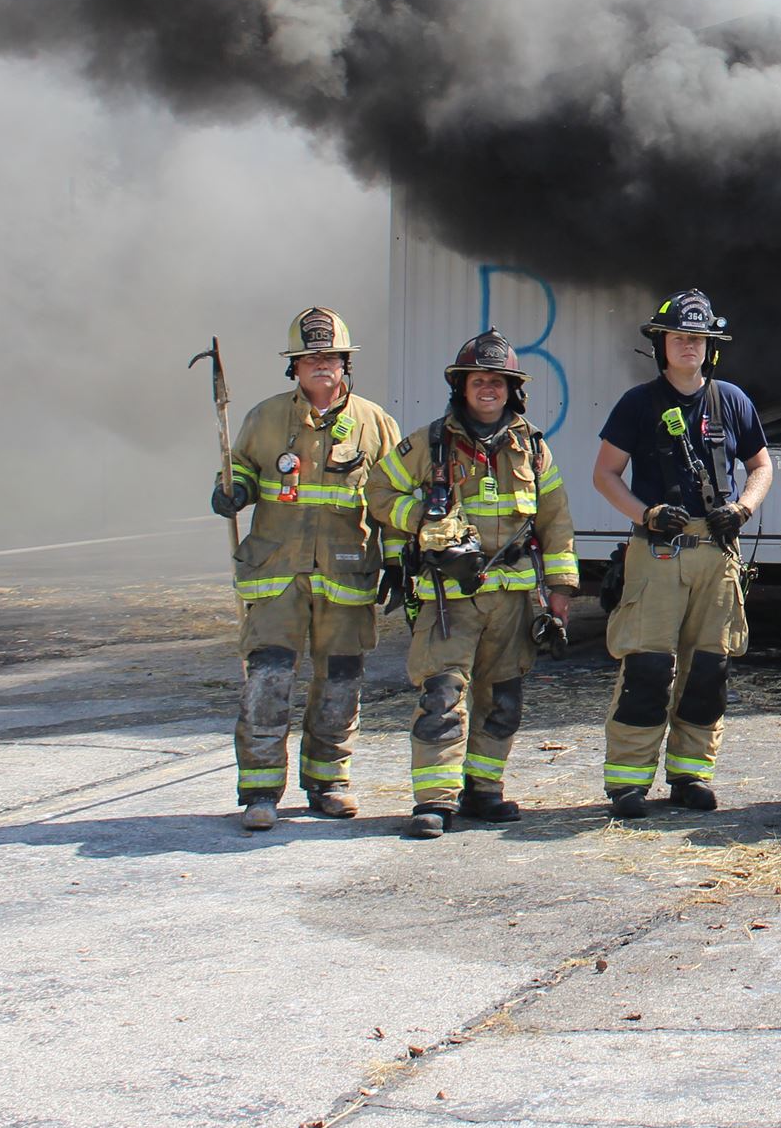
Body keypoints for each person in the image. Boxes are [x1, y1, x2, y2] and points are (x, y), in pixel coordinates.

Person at [368, 332, 578, 839]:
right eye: (478, 380)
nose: (488, 389)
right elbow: (379, 489)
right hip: (449, 600)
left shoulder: (533, 448)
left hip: (513, 602)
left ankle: (484, 790)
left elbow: (556, 522)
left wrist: (561, 591)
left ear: (512, 390)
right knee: (442, 696)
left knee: (503, 699)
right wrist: (423, 516)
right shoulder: (429, 442)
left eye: (498, 382)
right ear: (461, 386)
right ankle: (435, 801)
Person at [210, 307, 402, 831]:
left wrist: (396, 562)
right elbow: (242, 467)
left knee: (340, 682)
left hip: (346, 576)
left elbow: (391, 497)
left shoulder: (375, 423)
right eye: (311, 357)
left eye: (332, 357)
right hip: (275, 576)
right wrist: (235, 490)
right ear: (294, 367)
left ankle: (328, 782)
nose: (322, 365)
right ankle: (260, 790)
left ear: (345, 365)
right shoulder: (264, 417)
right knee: (268, 680)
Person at [590, 288, 773, 817]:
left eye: (697, 338)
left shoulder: (733, 401)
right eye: (678, 337)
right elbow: (605, 474)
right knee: (648, 666)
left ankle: (691, 774)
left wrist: (742, 508)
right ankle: (627, 781)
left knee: (708, 670)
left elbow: (762, 466)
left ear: (709, 346)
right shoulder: (638, 404)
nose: (688, 346)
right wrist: (644, 514)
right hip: (658, 553)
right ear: (661, 344)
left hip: (717, 554)